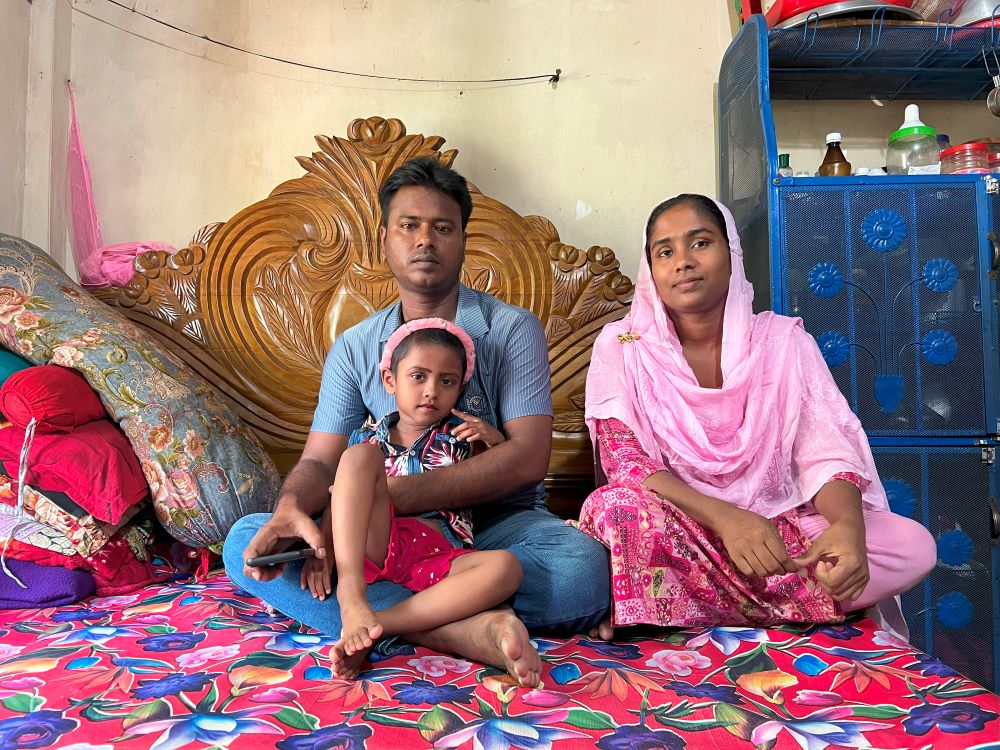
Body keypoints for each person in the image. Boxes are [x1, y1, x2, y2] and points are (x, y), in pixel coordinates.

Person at [222, 156, 609, 685]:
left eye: (442, 227)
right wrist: (293, 509)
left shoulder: (512, 329)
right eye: (409, 225)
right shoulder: (355, 347)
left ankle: (384, 619)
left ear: (463, 240)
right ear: (385, 238)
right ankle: (468, 630)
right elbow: (319, 458)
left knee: (583, 570)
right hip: (387, 539)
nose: (425, 240)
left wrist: (373, 502)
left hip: (496, 526)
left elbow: (527, 459)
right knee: (245, 541)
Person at [579, 194, 936, 638]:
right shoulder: (622, 345)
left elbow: (824, 450)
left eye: (701, 243)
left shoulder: (783, 341)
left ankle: (675, 605)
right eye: (665, 251)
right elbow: (626, 463)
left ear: (732, 254)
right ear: (650, 269)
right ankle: (792, 602)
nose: (683, 262)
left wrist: (846, 527)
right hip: (684, 525)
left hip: (777, 528)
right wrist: (728, 521)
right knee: (613, 510)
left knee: (911, 546)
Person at [303, 318, 534, 684]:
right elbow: (340, 497)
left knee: (507, 567)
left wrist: (495, 442)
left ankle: (376, 624)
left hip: (438, 555)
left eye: (447, 381)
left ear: (460, 389)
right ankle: (351, 593)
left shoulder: (462, 438)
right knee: (358, 459)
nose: (432, 390)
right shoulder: (367, 436)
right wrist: (324, 548)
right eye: (418, 377)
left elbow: (507, 481)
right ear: (390, 381)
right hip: (378, 543)